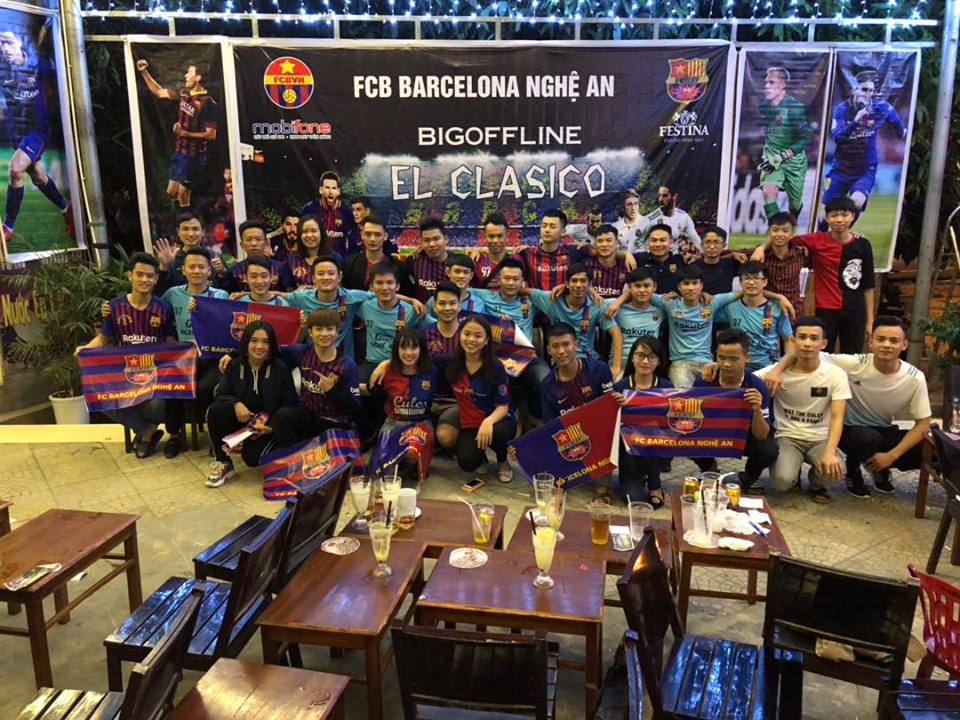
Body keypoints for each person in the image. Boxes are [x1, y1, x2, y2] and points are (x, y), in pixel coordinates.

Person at [764, 316, 931, 498]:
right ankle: (852, 471)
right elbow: (805, 350)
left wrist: (891, 456)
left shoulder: (915, 378)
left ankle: (881, 468)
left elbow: (923, 425)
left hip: (884, 428)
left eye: (894, 341)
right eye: (881, 339)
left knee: (924, 447)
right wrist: (776, 370)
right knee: (866, 438)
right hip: (850, 430)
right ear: (871, 342)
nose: (886, 345)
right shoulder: (853, 363)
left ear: (904, 345)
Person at [75, 252, 176, 459]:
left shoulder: (163, 307)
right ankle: (146, 430)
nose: (145, 279)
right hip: (124, 375)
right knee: (97, 397)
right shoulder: (114, 306)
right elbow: (103, 339)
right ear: (129, 275)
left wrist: (184, 353)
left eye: (150, 275)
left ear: (156, 278)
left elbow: (170, 342)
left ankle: (145, 433)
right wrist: (86, 348)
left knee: (157, 407)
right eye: (139, 274)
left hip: (155, 376)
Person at [754, 196, 875, 353]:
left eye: (844, 215)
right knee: (823, 356)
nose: (839, 220)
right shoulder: (816, 240)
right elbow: (783, 237)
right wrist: (761, 248)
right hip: (826, 310)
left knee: (853, 357)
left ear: (853, 216)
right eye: (834, 215)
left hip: (855, 311)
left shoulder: (863, 244)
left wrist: (870, 321)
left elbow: (868, 285)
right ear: (827, 218)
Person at [755, 316, 850, 504]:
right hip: (787, 436)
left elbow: (838, 416)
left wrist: (830, 452)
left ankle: (816, 483)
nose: (807, 343)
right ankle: (793, 470)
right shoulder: (775, 372)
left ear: (823, 343)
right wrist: (716, 366)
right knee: (781, 481)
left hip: (820, 438)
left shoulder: (835, 374)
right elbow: (743, 379)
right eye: (802, 337)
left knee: (837, 471)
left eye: (814, 338)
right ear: (793, 340)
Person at [0, 28, 73, 242]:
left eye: (8, 42)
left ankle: (7, 228)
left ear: (19, 43)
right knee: (39, 177)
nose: (4, 48)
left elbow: (65, 74)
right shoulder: (3, 71)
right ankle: (66, 209)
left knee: (15, 169)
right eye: (1, 44)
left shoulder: (37, 65)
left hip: (37, 131)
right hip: (18, 134)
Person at [205, 320, 298, 487]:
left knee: (252, 458)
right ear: (246, 342)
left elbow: (291, 405)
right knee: (216, 410)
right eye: (254, 341)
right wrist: (236, 403)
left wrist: (272, 427)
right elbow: (222, 393)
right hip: (243, 421)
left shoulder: (280, 368)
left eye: (265, 342)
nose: (259, 346)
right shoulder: (236, 364)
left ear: (271, 345)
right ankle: (224, 463)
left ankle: (281, 452)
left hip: (267, 425)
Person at [160, 246, 228, 457]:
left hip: (211, 357)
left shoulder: (220, 295)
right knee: (173, 387)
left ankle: (214, 434)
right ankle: (174, 436)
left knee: (206, 389)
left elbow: (226, 327)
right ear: (184, 270)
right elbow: (156, 312)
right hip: (182, 358)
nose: (197, 271)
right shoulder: (172, 294)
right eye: (192, 267)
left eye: (201, 267)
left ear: (209, 270)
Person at [695, 329, 778, 494]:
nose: (726, 364)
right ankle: (709, 467)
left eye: (733, 359)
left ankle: (748, 478)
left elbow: (762, 435)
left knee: (768, 449)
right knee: (683, 435)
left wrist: (756, 410)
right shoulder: (704, 381)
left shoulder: (757, 386)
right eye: (721, 358)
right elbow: (693, 419)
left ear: (747, 358)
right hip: (713, 435)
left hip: (744, 437)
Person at [436, 315, 516, 482]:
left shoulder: (495, 366)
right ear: (460, 335)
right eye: (467, 334)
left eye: (478, 336)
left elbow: (503, 406)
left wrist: (488, 422)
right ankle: (481, 456)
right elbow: (419, 359)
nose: (471, 339)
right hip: (470, 421)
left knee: (500, 433)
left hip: (496, 418)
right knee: (467, 463)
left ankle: (502, 460)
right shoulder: (450, 362)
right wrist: (386, 364)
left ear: (486, 341)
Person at [271, 309, 365, 448]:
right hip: (308, 416)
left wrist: (332, 390)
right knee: (282, 416)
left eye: (330, 329)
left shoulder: (347, 365)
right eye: (319, 329)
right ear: (310, 332)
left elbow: (355, 408)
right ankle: (291, 455)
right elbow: (270, 349)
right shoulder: (301, 352)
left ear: (337, 332)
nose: (324, 334)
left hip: (335, 422)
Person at [821, 69, 907, 221]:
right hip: (841, 168)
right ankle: (822, 233)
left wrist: (902, 131)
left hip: (865, 169)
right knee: (827, 213)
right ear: (854, 90)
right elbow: (837, 137)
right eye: (864, 89)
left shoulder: (881, 107)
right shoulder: (842, 110)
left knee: (856, 203)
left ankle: (841, 234)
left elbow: (900, 128)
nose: (868, 94)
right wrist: (856, 122)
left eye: (871, 91)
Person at [471, 258, 550, 422]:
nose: (511, 283)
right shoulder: (484, 296)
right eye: (506, 278)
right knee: (496, 382)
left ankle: (534, 416)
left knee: (546, 380)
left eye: (516, 279)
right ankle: (507, 418)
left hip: (526, 357)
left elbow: (557, 297)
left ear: (522, 281)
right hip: (495, 357)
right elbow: (458, 291)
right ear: (498, 279)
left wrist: (528, 291)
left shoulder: (530, 301)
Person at [135, 57, 217, 209]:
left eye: (189, 73)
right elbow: (159, 92)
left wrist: (184, 133)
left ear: (198, 77)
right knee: (171, 192)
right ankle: (180, 220)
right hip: (181, 152)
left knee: (183, 195)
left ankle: (188, 221)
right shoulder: (183, 93)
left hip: (194, 156)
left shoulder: (207, 103)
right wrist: (144, 72)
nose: (185, 76)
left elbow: (211, 134)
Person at [366, 330, 439, 486]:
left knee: (412, 450)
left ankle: (413, 462)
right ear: (396, 349)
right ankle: (399, 461)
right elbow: (369, 390)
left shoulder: (432, 371)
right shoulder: (386, 371)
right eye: (403, 347)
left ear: (421, 349)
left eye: (414, 347)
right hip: (393, 422)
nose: (408, 353)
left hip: (421, 423)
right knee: (380, 471)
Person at [528, 262, 623, 377]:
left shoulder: (597, 305)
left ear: (589, 285)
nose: (578, 285)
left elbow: (616, 333)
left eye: (583, 281)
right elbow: (524, 291)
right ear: (566, 284)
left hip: (589, 360)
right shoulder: (552, 299)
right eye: (574, 281)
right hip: (561, 359)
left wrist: (616, 366)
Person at [614, 335, 673, 507]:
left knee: (654, 433)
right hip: (628, 451)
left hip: (657, 447)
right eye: (640, 355)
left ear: (659, 361)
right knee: (634, 499)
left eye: (651, 356)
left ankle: (655, 484)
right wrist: (614, 404)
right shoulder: (620, 387)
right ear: (632, 358)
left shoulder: (667, 387)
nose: (645, 361)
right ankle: (635, 478)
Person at [285, 255, 374, 356]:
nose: (326, 277)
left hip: (344, 359)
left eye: (331, 273)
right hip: (312, 358)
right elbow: (278, 299)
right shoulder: (301, 298)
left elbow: (380, 296)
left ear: (339, 277)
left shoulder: (352, 297)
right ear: (313, 278)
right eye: (321, 274)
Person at [717, 262, 795, 370]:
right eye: (747, 278)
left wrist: (784, 367)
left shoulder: (777, 308)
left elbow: (788, 340)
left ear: (765, 282)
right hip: (740, 366)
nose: (751, 282)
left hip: (768, 367)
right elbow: (707, 312)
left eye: (756, 278)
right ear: (740, 282)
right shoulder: (730, 308)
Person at [757, 65, 810, 220]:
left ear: (783, 85)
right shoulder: (763, 107)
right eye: (766, 82)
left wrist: (783, 155)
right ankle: (776, 229)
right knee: (768, 191)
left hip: (794, 162)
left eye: (771, 82)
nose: (766, 86)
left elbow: (805, 139)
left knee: (794, 205)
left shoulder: (795, 108)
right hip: (772, 158)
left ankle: (793, 219)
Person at [539, 322, 613, 420]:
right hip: (569, 429)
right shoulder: (547, 385)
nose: (561, 351)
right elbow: (551, 424)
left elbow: (610, 407)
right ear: (549, 350)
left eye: (566, 344)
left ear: (576, 345)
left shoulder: (600, 369)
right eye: (555, 346)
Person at [218, 219, 294, 293]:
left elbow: (289, 296)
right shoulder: (235, 271)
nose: (253, 244)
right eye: (248, 239)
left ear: (266, 243)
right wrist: (222, 275)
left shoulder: (281, 268)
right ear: (242, 245)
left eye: (258, 239)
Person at [611, 268, 664, 370]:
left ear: (654, 287)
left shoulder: (661, 311)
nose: (642, 290)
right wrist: (620, 300)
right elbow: (591, 302)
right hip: (622, 363)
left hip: (648, 364)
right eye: (637, 286)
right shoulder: (616, 308)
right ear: (630, 287)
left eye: (646, 286)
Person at [300, 170, 359, 256]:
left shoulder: (347, 213)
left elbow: (354, 241)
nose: (330, 192)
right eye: (327, 187)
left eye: (334, 188)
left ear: (338, 191)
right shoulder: (309, 210)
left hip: (340, 260)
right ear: (320, 190)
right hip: (316, 259)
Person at [342, 215, 403, 290]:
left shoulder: (397, 266)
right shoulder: (349, 263)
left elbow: (406, 293)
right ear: (362, 235)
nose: (372, 239)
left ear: (385, 236)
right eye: (368, 234)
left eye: (377, 234)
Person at [761, 212, 806, 313]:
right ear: (769, 232)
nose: (780, 234)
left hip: (794, 310)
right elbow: (728, 252)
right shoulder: (760, 255)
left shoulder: (800, 254)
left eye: (785, 231)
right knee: (767, 324)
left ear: (792, 234)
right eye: (775, 230)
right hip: (768, 311)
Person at [402, 216, 452, 303]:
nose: (431, 244)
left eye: (436, 239)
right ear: (421, 242)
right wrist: (411, 301)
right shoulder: (414, 261)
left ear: (446, 239)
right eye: (426, 240)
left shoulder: (457, 263)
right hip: (423, 311)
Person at [642, 184, 701, 256]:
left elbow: (695, 239)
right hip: (654, 259)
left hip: (673, 259)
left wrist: (705, 253)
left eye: (665, 196)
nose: (660, 199)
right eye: (660, 195)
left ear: (674, 196)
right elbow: (637, 242)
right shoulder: (650, 219)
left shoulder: (683, 216)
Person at [153, 211, 205, 293]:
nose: (190, 234)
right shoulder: (171, 260)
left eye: (195, 229)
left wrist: (222, 274)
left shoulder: (213, 258)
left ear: (203, 232)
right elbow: (158, 293)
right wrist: (164, 267)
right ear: (178, 232)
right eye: (185, 229)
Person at [632, 223, 684, 294]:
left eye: (662, 240)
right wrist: (625, 254)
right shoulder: (638, 259)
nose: (658, 244)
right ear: (648, 242)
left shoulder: (680, 261)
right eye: (654, 240)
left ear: (671, 242)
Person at [286, 214, 335, 289]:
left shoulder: (334, 258)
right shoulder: (292, 259)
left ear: (321, 233)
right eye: (305, 231)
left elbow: (341, 290)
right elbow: (289, 291)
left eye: (314, 231)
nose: (309, 235)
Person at [585, 223, 631, 300]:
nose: (604, 244)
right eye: (600, 241)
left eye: (609, 240)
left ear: (616, 242)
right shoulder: (587, 264)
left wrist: (627, 254)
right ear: (595, 244)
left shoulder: (627, 266)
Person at [692, 226, 742, 294]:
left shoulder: (731, 264)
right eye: (707, 242)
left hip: (725, 301)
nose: (712, 246)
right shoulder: (693, 267)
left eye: (716, 242)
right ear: (702, 245)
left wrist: (733, 253)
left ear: (724, 246)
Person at [473, 212, 516, 289]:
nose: (495, 240)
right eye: (491, 236)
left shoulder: (518, 260)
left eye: (500, 236)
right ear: (485, 235)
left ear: (507, 234)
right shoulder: (476, 261)